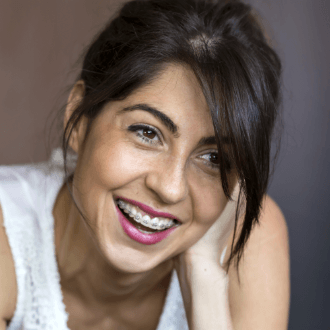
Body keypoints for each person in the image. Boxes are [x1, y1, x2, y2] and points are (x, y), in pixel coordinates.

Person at [0, 0, 290, 329]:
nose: (170, 188)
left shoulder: (249, 238)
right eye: (147, 133)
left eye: (214, 159)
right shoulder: (7, 233)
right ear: (79, 118)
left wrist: (204, 279)